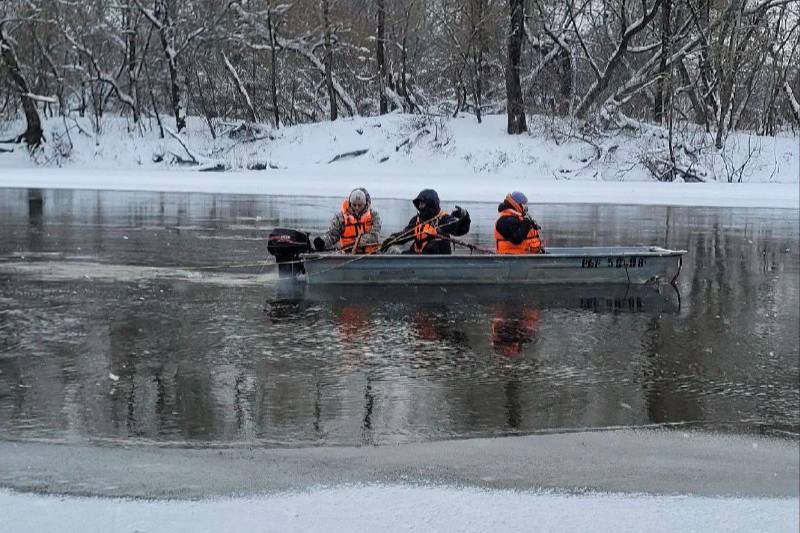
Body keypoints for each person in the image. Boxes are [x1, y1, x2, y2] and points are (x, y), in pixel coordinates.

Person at [382, 189, 470, 254]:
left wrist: (464, 217)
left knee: (433, 245)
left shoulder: (444, 219)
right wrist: (392, 240)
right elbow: (405, 235)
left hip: (438, 261)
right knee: (398, 252)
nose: (420, 206)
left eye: (422, 204)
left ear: (431, 203)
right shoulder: (417, 220)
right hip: (418, 258)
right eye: (419, 204)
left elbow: (460, 229)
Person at [314, 188, 382, 254]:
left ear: (365, 204)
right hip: (347, 254)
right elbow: (332, 235)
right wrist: (323, 242)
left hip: (371, 253)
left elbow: (374, 235)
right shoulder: (340, 218)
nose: (357, 208)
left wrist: (356, 243)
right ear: (350, 203)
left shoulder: (374, 216)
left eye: (360, 205)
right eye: (354, 205)